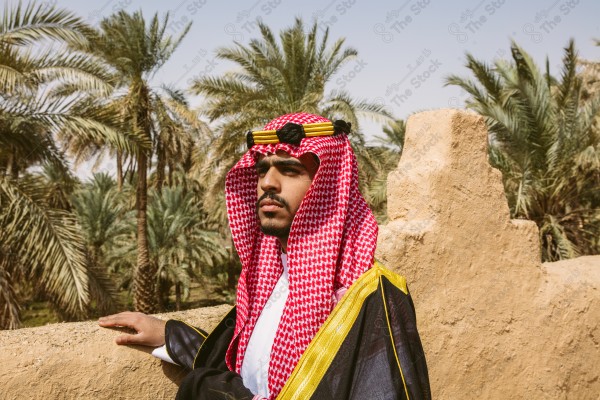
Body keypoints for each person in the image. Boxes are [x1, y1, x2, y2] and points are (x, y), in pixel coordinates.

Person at [99, 113, 431, 400]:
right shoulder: (266, 282)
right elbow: (249, 366)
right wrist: (170, 337)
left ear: (328, 188)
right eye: (261, 171)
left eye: (289, 170)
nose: (267, 183)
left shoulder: (372, 298)